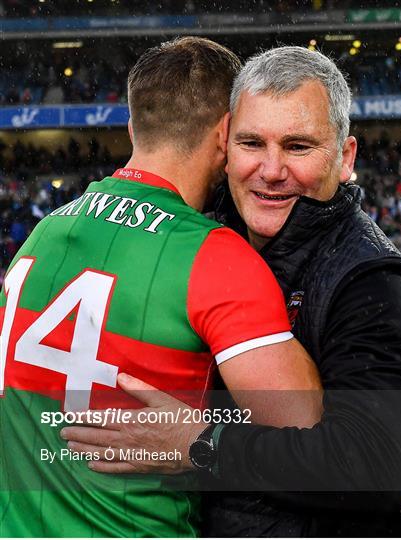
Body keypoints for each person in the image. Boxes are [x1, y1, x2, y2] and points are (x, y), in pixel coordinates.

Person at [62, 47, 401, 537]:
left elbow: (375, 469)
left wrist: (201, 445)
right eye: (251, 143)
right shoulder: (207, 226)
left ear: (345, 157)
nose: (270, 169)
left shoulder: (369, 279)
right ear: (224, 147)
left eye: (298, 147)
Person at [0, 39, 323, 538]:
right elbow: (307, 434)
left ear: (133, 128)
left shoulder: (41, 235)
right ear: (225, 134)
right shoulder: (216, 256)